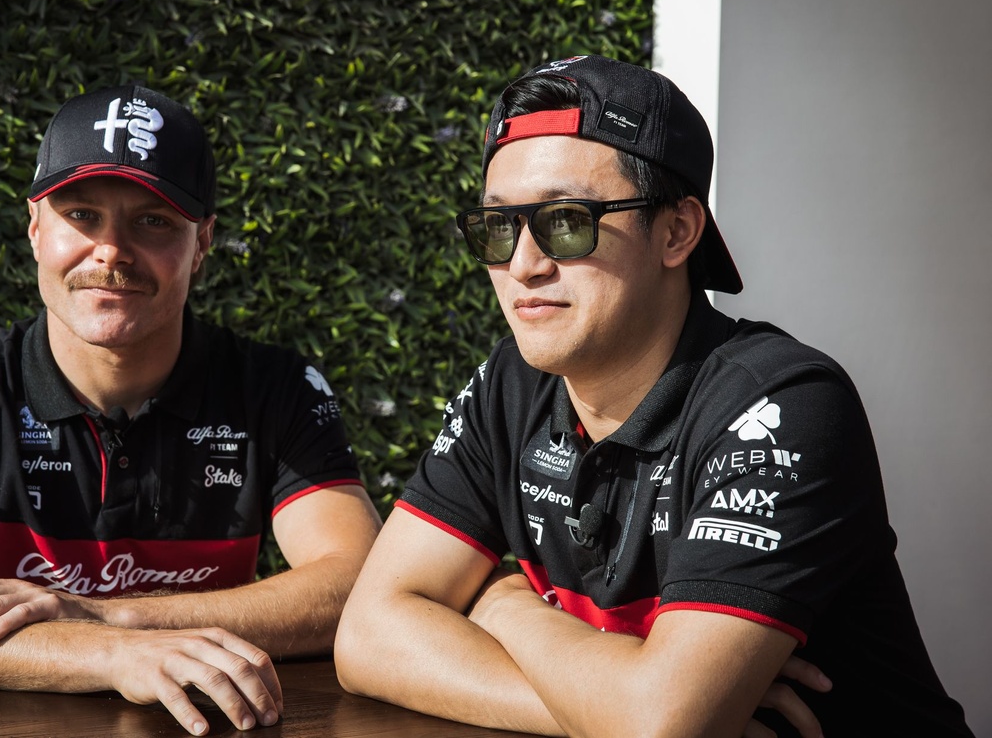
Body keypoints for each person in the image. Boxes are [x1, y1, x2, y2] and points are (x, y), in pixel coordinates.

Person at [334, 54, 974, 737]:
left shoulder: (782, 405)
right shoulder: (511, 385)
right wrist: (610, 701)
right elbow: (367, 635)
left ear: (676, 232)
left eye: (566, 221)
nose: (523, 264)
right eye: (498, 227)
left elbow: (660, 725)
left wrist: (501, 606)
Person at [0, 85, 382, 737]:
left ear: (202, 243)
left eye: (153, 221)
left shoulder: (278, 386)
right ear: (36, 228)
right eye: (82, 215)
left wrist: (108, 614)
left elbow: (356, 582)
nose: (111, 250)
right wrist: (105, 652)